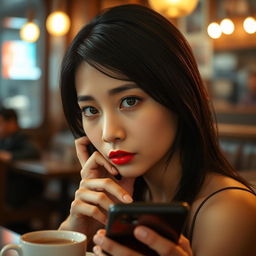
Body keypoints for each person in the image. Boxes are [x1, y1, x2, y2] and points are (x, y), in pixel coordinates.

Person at [58, 4, 256, 256]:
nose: (109, 133)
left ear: (178, 94)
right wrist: (75, 230)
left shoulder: (229, 211)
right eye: (90, 110)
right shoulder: (127, 199)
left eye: (129, 101)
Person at [0, 107, 43, 208]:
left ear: (11, 122)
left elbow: (34, 152)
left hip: (23, 188)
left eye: (0, 123)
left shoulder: (21, 137)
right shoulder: (3, 139)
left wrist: (10, 156)